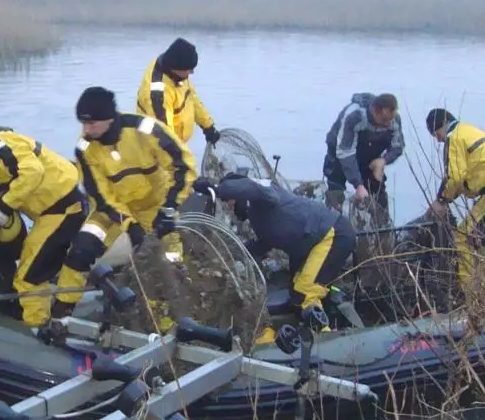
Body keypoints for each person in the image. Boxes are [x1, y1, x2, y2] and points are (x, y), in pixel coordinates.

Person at [66, 87, 195, 330]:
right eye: (83, 124)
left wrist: (169, 208)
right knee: (82, 249)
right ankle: (63, 311)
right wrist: (129, 224)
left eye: (91, 124)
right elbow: (100, 196)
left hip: (157, 208)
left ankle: (166, 321)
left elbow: (184, 166)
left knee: (169, 261)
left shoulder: (145, 130)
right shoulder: (85, 148)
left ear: (109, 118)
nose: (85, 130)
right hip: (114, 211)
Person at [0, 114, 88, 336]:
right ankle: (48, 317)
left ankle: (37, 328)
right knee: (34, 263)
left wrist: (3, 207)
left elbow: (32, 172)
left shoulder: (0, 147)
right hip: (51, 212)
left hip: (62, 210)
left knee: (28, 275)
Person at [197, 173, 356, 330]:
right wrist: (231, 255)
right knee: (295, 296)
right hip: (313, 244)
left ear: (239, 192)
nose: (228, 207)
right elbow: (264, 244)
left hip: (332, 235)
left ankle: (326, 343)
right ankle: (304, 331)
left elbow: (252, 187)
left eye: (229, 201)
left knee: (306, 292)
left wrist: (217, 188)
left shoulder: (264, 195)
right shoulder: (260, 218)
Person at [425, 108, 485, 291]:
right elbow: (466, 176)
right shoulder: (468, 130)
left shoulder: (454, 138)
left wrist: (441, 201)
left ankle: (471, 294)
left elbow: (455, 177)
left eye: (436, 134)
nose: (438, 140)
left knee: (463, 237)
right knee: (479, 240)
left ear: (440, 128)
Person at [323, 92, 403, 225]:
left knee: (377, 191)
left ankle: (381, 232)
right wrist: (358, 184)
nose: (387, 124)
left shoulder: (393, 119)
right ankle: (333, 228)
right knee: (336, 189)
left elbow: (398, 146)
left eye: (390, 120)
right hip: (340, 152)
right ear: (375, 111)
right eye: (384, 120)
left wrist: (383, 161)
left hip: (370, 154)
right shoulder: (355, 116)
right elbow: (345, 151)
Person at [135, 37, 221, 147]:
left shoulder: (176, 72)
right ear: (177, 67)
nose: (192, 72)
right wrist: (180, 159)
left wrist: (208, 127)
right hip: (156, 150)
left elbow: (192, 98)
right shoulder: (158, 95)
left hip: (177, 143)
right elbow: (164, 136)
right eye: (189, 69)